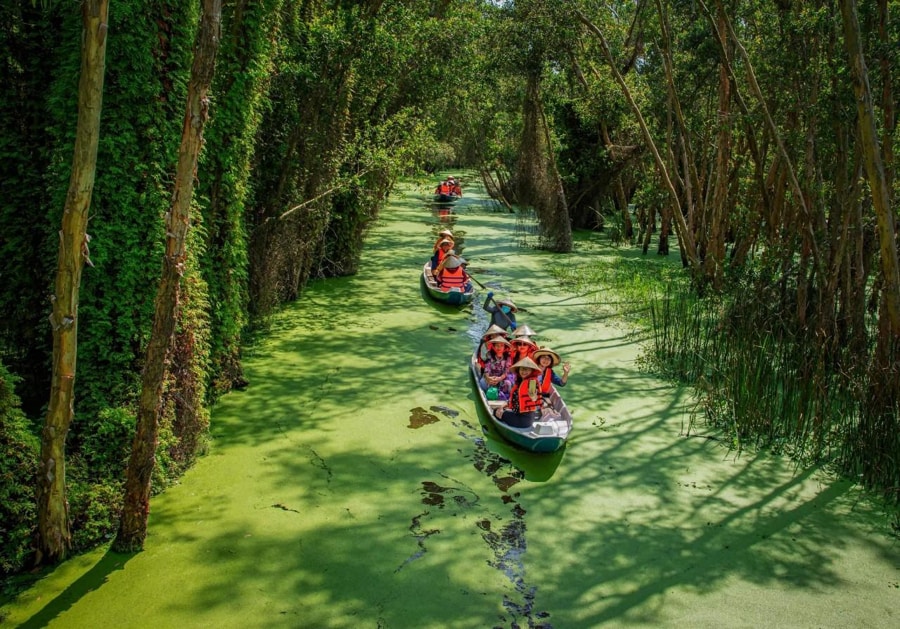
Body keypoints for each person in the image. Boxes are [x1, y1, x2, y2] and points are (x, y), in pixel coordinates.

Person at [493, 357, 543, 428]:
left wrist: (533, 396)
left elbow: (535, 398)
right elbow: (513, 400)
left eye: (527, 369)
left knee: (495, 412)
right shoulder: (519, 383)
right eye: (522, 369)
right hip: (518, 414)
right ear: (518, 370)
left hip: (524, 419)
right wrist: (502, 407)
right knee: (498, 410)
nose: (524, 371)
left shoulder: (532, 382)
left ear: (532, 371)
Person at [479, 335, 513, 400]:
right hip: (490, 377)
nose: (499, 348)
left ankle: (501, 396)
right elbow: (487, 368)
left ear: (504, 347)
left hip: (501, 378)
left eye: (501, 346)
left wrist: (500, 378)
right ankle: (487, 395)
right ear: (494, 347)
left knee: (508, 383)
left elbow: (506, 371)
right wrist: (488, 378)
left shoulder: (507, 357)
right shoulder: (489, 355)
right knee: (482, 382)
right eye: (497, 345)